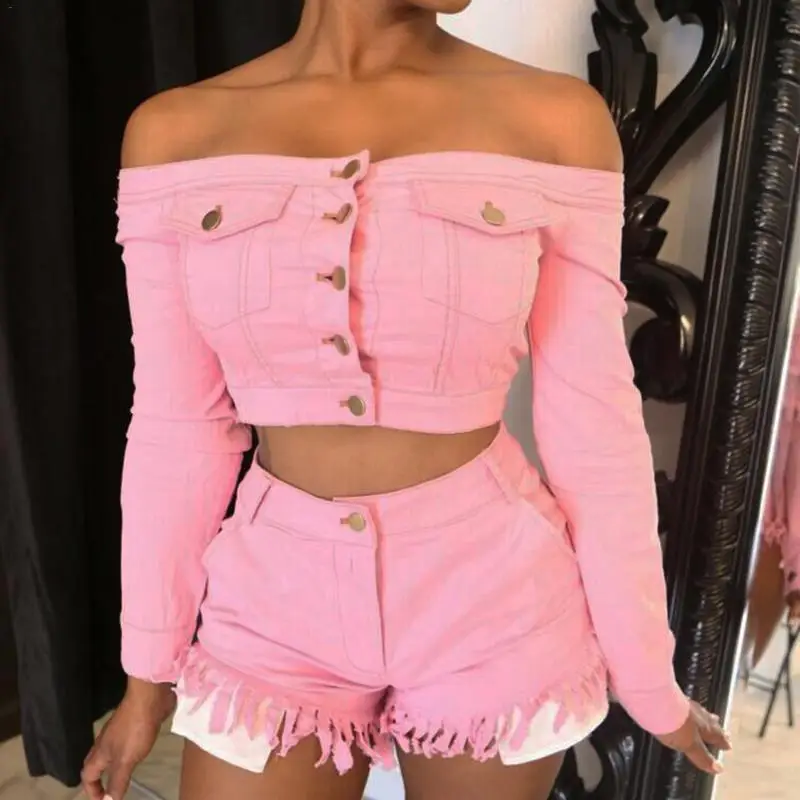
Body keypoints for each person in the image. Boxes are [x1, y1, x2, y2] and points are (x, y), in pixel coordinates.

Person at [81, 2, 730, 799]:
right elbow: (177, 426)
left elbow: (593, 421)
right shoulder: (174, 135)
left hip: (497, 602)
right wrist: (146, 676)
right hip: (271, 604)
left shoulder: (557, 120)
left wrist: (648, 676)